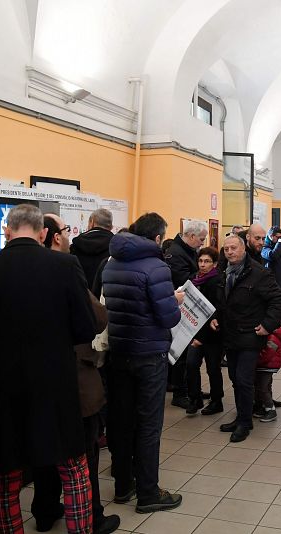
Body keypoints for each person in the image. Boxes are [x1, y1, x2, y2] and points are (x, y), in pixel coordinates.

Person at [0, 204, 96, 534]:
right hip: (55, 385)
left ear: (6, 231)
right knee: (73, 469)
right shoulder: (65, 265)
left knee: (6, 479)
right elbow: (86, 328)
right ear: (44, 233)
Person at [32, 214, 120, 534]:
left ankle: (43, 510)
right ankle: (90, 517)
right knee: (83, 454)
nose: (71, 235)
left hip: (34, 379)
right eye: (66, 230)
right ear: (54, 236)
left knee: (43, 449)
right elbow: (96, 318)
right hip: (73, 375)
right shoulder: (66, 269)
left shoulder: (19, 270)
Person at [103, 212, 184, 514]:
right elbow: (168, 317)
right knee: (149, 424)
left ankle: (123, 485)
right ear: (159, 237)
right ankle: (149, 492)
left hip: (119, 352)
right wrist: (174, 302)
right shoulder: (156, 267)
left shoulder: (112, 264)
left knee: (122, 421)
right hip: (150, 356)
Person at [213, 234, 281, 443]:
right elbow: (222, 301)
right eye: (226, 249)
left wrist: (268, 325)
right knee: (235, 378)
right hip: (231, 334)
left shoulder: (259, 273)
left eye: (234, 248)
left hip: (250, 335)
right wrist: (216, 318)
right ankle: (242, 417)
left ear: (243, 249)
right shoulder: (223, 271)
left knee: (243, 379)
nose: (230, 252)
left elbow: (278, 299)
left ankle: (245, 422)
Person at [164, 219, 208, 409]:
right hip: (180, 307)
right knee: (180, 353)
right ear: (191, 236)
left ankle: (191, 389)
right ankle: (179, 392)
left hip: (186, 307)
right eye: (201, 239)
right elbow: (183, 280)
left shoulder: (185, 251)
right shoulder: (176, 253)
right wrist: (204, 276)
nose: (202, 243)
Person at [184, 246, 224, 416]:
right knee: (191, 364)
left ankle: (216, 401)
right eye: (200, 261)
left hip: (212, 333)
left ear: (214, 264)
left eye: (207, 261)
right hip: (194, 331)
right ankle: (195, 397)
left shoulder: (218, 281)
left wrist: (203, 336)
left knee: (212, 368)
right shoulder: (193, 279)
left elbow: (218, 309)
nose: (202, 264)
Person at [70, 208, 114, 291]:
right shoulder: (115, 246)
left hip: (80, 295)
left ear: (92, 222)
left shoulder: (76, 244)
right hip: (104, 298)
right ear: (111, 226)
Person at [254, 324, 281, 422]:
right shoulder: (272, 334)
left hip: (267, 366)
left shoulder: (272, 338)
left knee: (263, 387)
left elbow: (266, 355)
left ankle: (270, 410)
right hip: (267, 366)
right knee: (266, 386)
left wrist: (255, 360)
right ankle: (265, 407)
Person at [261, 226, 281, 291]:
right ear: (271, 236)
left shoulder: (279, 247)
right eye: (278, 237)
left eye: (280, 237)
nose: (279, 239)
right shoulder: (264, 248)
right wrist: (280, 244)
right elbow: (273, 256)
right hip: (272, 286)